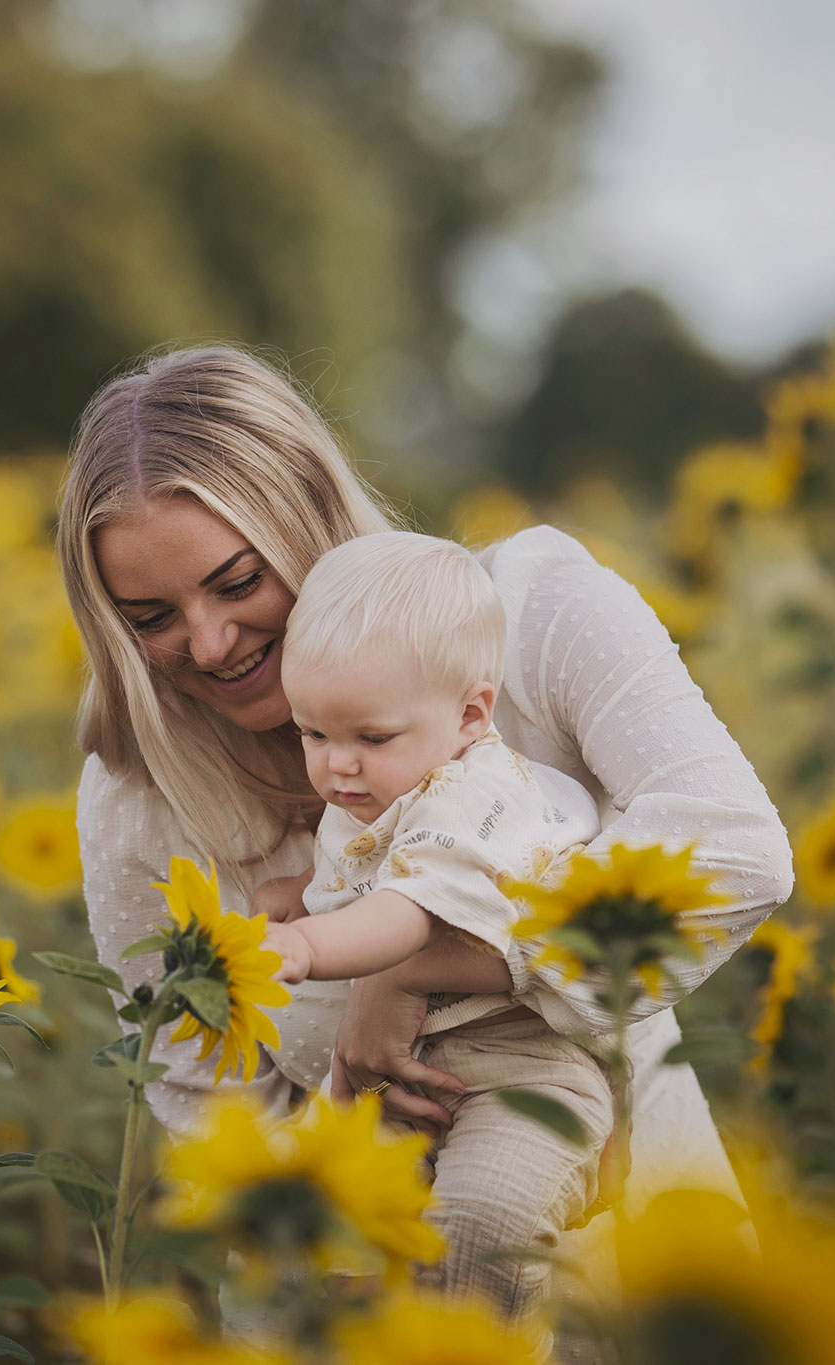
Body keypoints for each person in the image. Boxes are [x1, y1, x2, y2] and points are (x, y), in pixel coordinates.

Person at [57, 345, 793, 1297]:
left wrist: (412, 963)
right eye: (151, 616)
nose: (207, 641)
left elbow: (735, 852)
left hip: (646, 1268)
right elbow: (211, 1118)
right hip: (364, 1298)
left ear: (307, 518)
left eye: (239, 584)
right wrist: (354, 1135)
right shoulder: (139, 792)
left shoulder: (528, 616)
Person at [253, 529, 615, 1316]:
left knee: (481, 1234)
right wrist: (302, 891)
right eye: (312, 732)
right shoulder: (380, 784)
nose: (335, 764)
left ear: (470, 715)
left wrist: (306, 945)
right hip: (403, 1078)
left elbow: (408, 914)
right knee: (323, 1252)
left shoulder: (476, 797)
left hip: (519, 1072)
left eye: (368, 737)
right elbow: (360, 870)